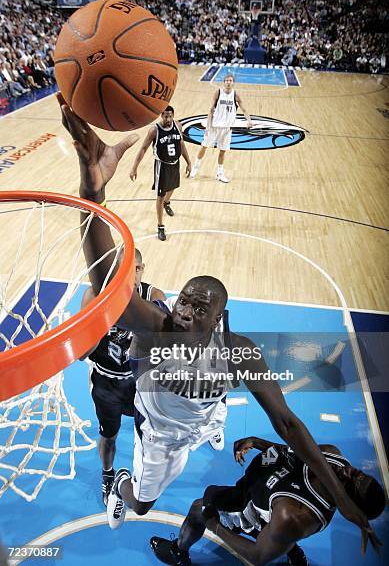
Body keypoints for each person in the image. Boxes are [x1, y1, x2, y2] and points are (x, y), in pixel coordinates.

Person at [57, 92, 380, 554]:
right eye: (184, 300)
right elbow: (107, 278)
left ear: (219, 320)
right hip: (162, 436)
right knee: (143, 504)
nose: (185, 309)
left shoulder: (238, 351)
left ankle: (213, 419)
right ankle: (122, 483)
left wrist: (347, 504)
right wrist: (92, 193)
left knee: (216, 405)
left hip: (201, 412)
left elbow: (288, 425)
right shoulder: (159, 328)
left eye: (199, 307)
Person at [150, 436, 385, 566]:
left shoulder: (295, 515)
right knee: (280, 532)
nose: (345, 471)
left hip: (250, 506)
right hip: (264, 491)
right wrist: (258, 442)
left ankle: (178, 553)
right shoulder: (333, 454)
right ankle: (289, 549)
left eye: (348, 482)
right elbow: (293, 449)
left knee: (197, 509)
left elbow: (257, 557)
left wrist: (215, 527)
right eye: (355, 472)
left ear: (345, 503)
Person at [81, 248, 165, 506]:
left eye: (136, 269)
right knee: (109, 436)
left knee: (147, 436)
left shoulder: (155, 297)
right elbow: (82, 352)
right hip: (106, 383)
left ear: (142, 269)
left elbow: (165, 346)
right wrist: (99, 322)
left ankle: (140, 478)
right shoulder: (96, 295)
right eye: (124, 270)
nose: (132, 275)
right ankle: (108, 475)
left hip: (140, 383)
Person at [129, 105, 191, 241]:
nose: (168, 119)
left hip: (175, 163)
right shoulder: (154, 130)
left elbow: (181, 144)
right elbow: (143, 149)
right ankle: (160, 226)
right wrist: (134, 167)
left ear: (173, 115)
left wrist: (189, 161)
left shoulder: (178, 126)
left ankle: (167, 203)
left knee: (173, 187)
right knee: (160, 195)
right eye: (165, 116)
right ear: (161, 116)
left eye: (170, 116)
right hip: (162, 166)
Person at [190, 74, 252, 183]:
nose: (228, 82)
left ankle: (220, 173)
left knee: (222, 151)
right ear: (224, 82)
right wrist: (208, 126)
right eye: (227, 80)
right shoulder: (218, 92)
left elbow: (244, 109)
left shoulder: (235, 95)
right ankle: (195, 167)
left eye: (230, 80)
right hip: (214, 126)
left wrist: (249, 120)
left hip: (227, 128)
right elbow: (211, 110)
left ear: (233, 83)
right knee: (204, 146)